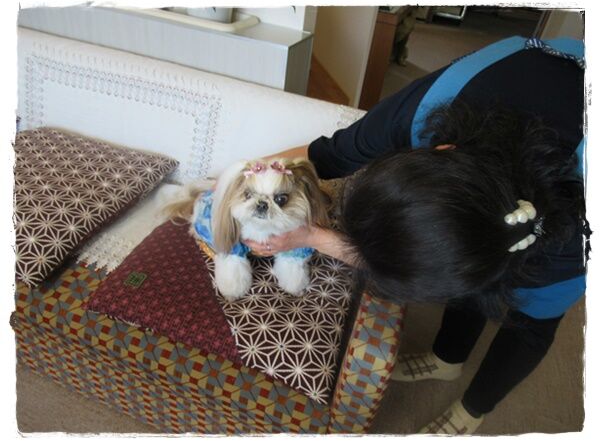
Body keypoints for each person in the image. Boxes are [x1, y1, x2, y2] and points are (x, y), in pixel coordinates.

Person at [242, 36, 588, 434]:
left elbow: (472, 271)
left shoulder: (575, 244)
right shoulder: (425, 107)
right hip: (542, 79)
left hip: (570, 214)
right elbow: (327, 156)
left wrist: (313, 237)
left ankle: (473, 409)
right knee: (464, 269)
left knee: (532, 323)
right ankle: (448, 358)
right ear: (440, 149)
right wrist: (237, 183)